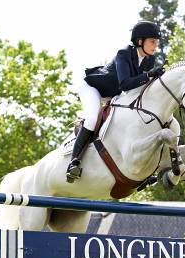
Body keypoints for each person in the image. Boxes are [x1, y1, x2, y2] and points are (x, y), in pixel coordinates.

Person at [66, 21, 165, 182]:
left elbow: (136, 89)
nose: (156, 46)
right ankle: (73, 162)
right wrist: (148, 76)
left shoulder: (149, 60)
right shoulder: (124, 54)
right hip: (94, 88)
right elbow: (125, 84)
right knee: (92, 118)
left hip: (115, 94)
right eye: (152, 41)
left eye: (157, 42)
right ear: (140, 41)